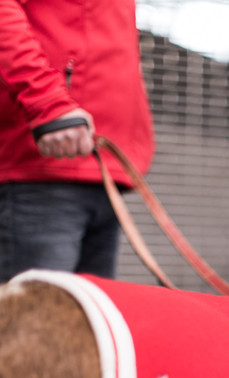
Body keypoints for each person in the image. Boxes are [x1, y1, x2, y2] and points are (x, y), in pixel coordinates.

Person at [0, 0, 155, 283]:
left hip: (105, 171)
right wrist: (47, 102)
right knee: (34, 320)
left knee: (88, 320)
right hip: (42, 166)